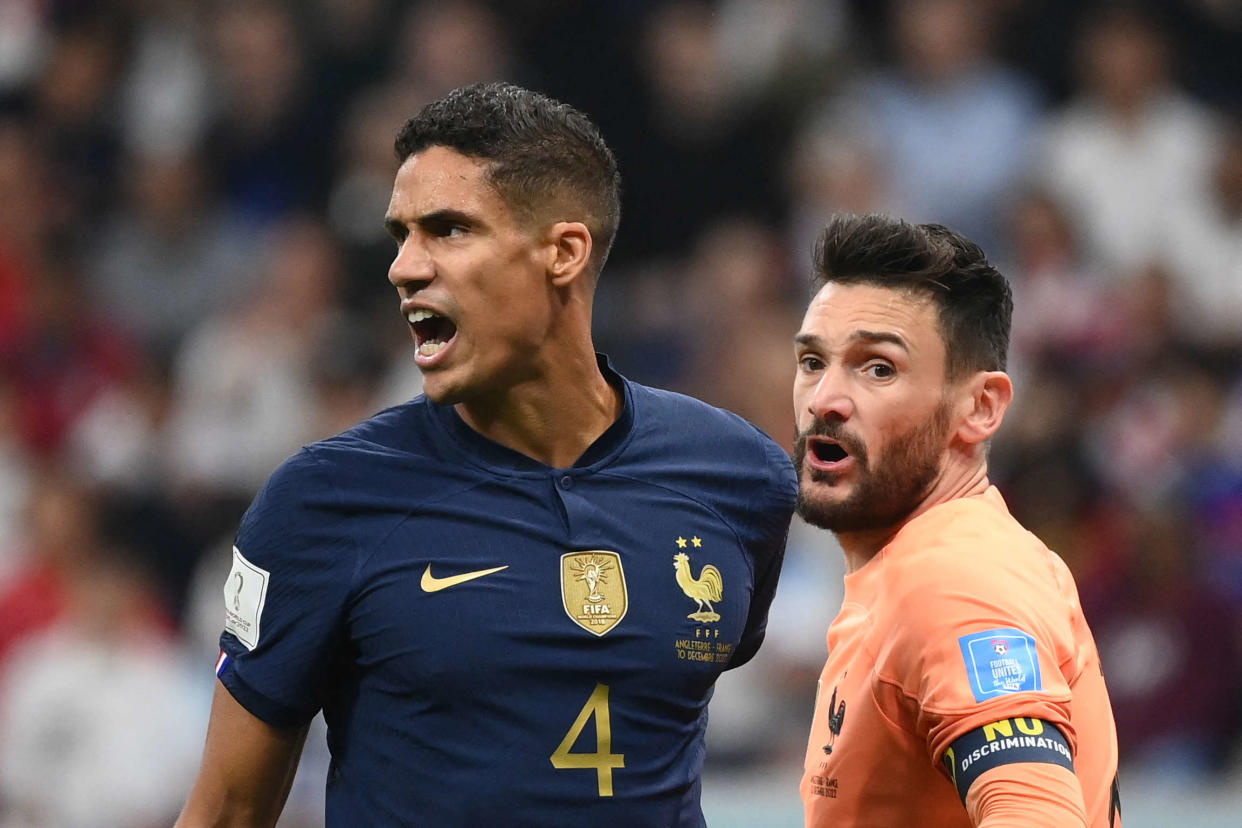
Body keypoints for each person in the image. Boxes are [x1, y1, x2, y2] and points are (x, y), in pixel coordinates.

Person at [175, 82, 797, 827]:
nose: (404, 266)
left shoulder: (741, 478)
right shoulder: (322, 500)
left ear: (564, 252)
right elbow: (228, 811)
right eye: (401, 234)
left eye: (448, 230)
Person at [792, 213, 1120, 827]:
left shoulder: (953, 576)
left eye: (878, 367)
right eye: (813, 361)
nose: (823, 399)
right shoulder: (922, 565)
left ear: (980, 406)